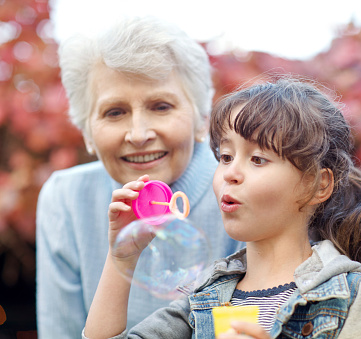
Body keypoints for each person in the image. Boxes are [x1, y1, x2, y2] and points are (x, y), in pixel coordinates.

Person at [82, 78, 361, 338]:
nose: (230, 173)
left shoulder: (350, 295)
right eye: (225, 157)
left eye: (257, 159)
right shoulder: (203, 297)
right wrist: (121, 256)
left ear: (317, 185)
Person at [35, 16, 242, 339]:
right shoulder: (65, 198)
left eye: (161, 106)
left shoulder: (241, 189)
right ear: (87, 132)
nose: (139, 134)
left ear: (202, 119)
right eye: (114, 112)